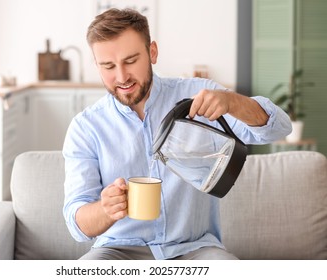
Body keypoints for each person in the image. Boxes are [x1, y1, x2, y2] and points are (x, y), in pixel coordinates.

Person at [62, 8, 291, 260]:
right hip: (117, 251)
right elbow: (77, 224)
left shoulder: (198, 95)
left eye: (130, 61)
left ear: (152, 52)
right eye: (108, 66)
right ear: (96, 65)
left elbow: (278, 128)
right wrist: (105, 210)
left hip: (196, 248)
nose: (121, 76)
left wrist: (232, 102)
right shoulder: (86, 127)